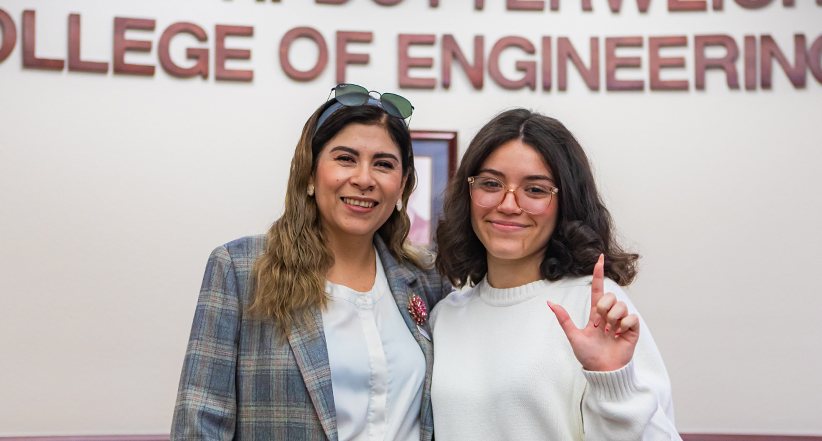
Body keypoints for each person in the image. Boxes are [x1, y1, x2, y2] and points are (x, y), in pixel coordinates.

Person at [171, 84, 450, 441]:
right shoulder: (240, 270)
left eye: (383, 164)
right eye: (345, 158)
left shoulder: (426, 280)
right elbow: (199, 426)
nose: (364, 179)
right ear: (309, 174)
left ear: (403, 185)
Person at [430, 109, 681, 440]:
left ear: (567, 203)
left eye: (535, 190)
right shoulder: (444, 316)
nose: (508, 204)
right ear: (468, 192)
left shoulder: (596, 307)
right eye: (491, 183)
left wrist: (612, 381)